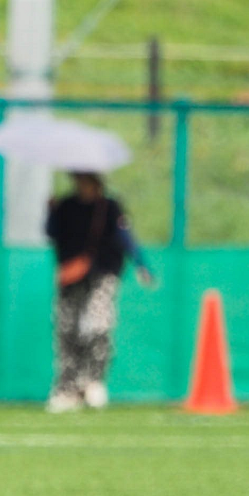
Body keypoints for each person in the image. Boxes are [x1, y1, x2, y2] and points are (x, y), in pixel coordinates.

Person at [45, 173, 152, 414]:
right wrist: (50, 210)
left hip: (103, 273)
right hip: (71, 276)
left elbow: (126, 237)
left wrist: (142, 265)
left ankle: (93, 381)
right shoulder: (66, 206)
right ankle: (68, 388)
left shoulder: (109, 207)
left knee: (98, 325)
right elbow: (51, 234)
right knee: (67, 329)